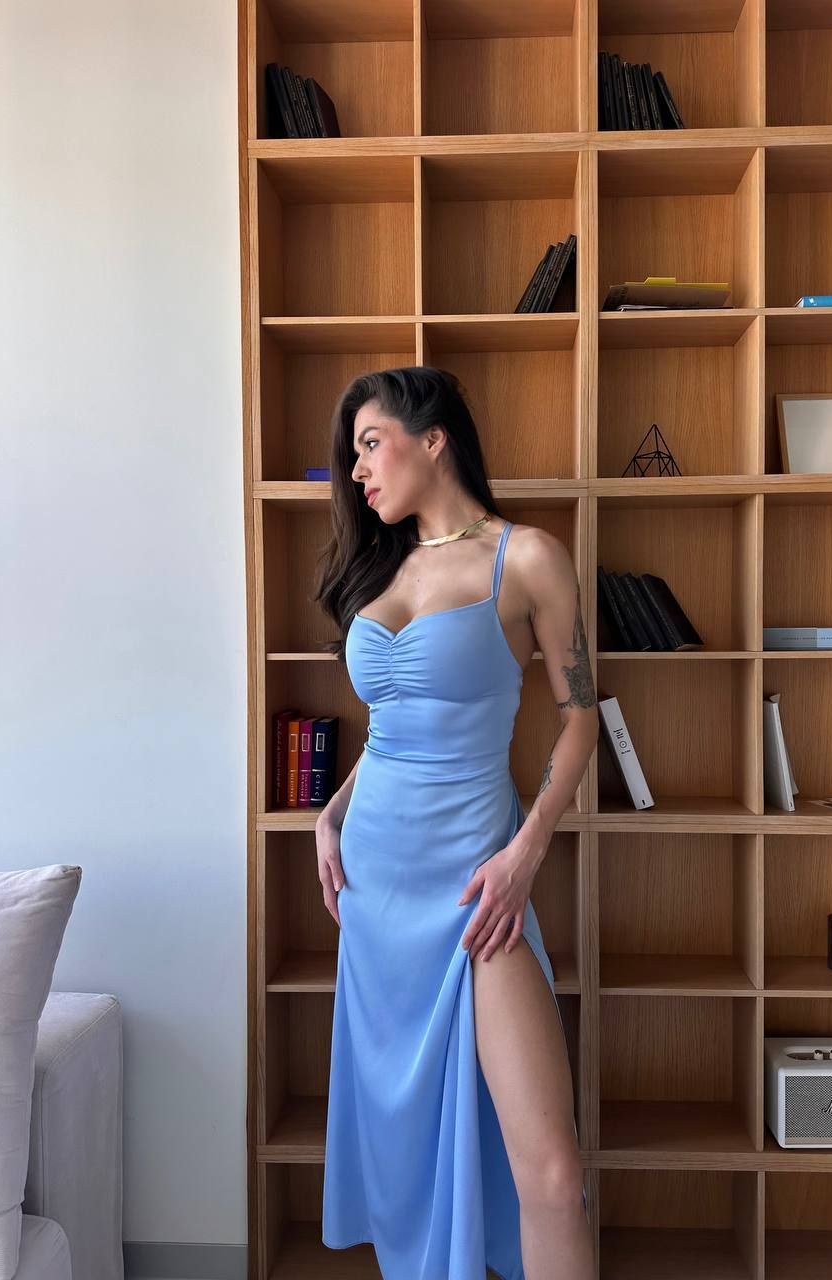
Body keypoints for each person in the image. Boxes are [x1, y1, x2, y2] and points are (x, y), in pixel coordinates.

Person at [314, 366, 599, 1279]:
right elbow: (391, 732)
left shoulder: (529, 557)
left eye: (370, 444)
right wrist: (330, 813)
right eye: (353, 455)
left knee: (551, 1173)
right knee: (407, 1154)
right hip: (374, 887)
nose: (358, 470)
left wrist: (526, 853)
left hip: (480, 883)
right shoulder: (380, 566)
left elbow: (581, 719)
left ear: (433, 438)